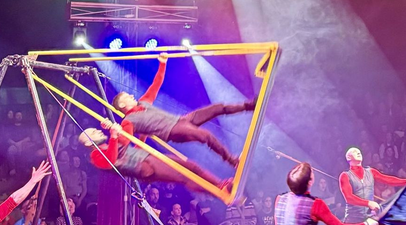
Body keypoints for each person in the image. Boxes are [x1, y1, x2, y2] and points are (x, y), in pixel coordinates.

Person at [112, 55, 255, 167]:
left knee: (217, 108)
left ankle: (249, 106)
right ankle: (232, 161)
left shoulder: (143, 102)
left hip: (181, 120)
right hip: (173, 131)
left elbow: (156, 84)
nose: (131, 96)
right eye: (127, 96)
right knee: (206, 136)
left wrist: (162, 64)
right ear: (122, 104)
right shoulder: (128, 122)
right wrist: (115, 134)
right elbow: (126, 142)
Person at [79, 123, 229, 194]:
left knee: (191, 166)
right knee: (185, 176)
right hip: (145, 167)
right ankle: (219, 191)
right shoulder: (96, 157)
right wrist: (113, 135)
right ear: (88, 142)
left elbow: (131, 150)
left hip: (147, 158)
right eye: (94, 132)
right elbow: (111, 161)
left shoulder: (108, 146)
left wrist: (142, 137)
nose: (98, 131)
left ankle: (220, 184)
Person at [273, 163, 371, 225]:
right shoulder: (316, 204)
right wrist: (367, 223)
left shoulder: (280, 199)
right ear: (310, 182)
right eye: (312, 172)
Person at [338, 148, 406, 222]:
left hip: (369, 217)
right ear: (348, 157)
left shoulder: (370, 171)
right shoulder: (345, 175)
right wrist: (368, 203)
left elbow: (387, 179)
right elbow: (349, 198)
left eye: (359, 151)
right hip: (353, 218)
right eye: (355, 151)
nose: (358, 152)